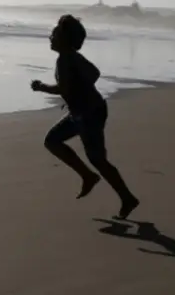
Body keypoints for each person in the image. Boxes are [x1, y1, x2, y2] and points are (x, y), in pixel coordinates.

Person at [30, 14, 140, 219]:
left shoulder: (67, 59)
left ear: (64, 38)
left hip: (89, 113)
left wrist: (41, 87)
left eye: (54, 34)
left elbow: (80, 80)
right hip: (83, 112)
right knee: (52, 141)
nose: (50, 37)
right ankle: (88, 176)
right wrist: (77, 92)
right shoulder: (68, 57)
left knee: (97, 159)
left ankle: (126, 197)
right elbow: (90, 75)